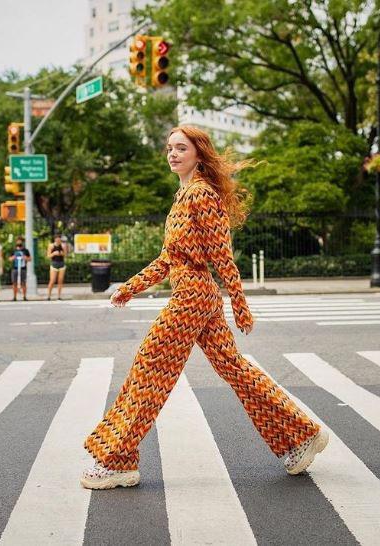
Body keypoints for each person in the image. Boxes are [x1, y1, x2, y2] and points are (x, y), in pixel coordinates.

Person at [81, 126, 328, 490]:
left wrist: (240, 303)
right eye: (169, 148)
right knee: (234, 368)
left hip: (193, 296)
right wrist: (130, 288)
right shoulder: (183, 197)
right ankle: (299, 437)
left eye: (181, 148)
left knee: (150, 369)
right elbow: (168, 258)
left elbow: (221, 255)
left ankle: (118, 460)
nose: (172, 154)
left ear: (199, 153)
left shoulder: (201, 195)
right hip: (196, 293)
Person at [9, 236, 31, 301]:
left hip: (23, 268)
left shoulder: (25, 250)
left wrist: (25, 258)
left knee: (23, 282)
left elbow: (30, 259)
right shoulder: (13, 250)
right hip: (15, 268)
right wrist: (13, 257)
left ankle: (24, 296)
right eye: (18, 240)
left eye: (20, 241)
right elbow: (9, 259)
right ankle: (14, 297)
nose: (19, 242)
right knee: (14, 283)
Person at [46, 234, 67, 300]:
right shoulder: (51, 246)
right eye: (56, 238)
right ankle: (49, 295)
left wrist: (61, 253)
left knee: (60, 281)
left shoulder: (63, 245)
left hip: (61, 264)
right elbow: (48, 256)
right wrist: (54, 254)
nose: (58, 240)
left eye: (59, 238)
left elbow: (65, 254)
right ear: (55, 239)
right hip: (54, 264)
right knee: (52, 280)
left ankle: (59, 296)